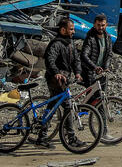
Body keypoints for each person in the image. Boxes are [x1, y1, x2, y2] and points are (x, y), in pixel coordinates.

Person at [41, 17, 82, 147]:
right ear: (63, 30)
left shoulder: (70, 44)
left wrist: (77, 72)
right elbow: (49, 59)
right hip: (55, 80)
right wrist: (56, 73)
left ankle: (42, 136)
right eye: (71, 29)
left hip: (65, 79)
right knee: (68, 106)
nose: (73, 32)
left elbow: (76, 60)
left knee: (53, 106)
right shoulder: (56, 44)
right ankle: (71, 138)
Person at [80, 14, 112, 100]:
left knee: (101, 98)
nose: (100, 27)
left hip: (102, 73)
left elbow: (109, 54)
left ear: (106, 25)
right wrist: (95, 67)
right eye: (98, 25)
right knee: (91, 98)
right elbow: (84, 55)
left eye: (103, 25)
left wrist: (106, 67)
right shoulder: (90, 38)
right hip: (90, 72)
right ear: (94, 25)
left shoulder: (108, 37)